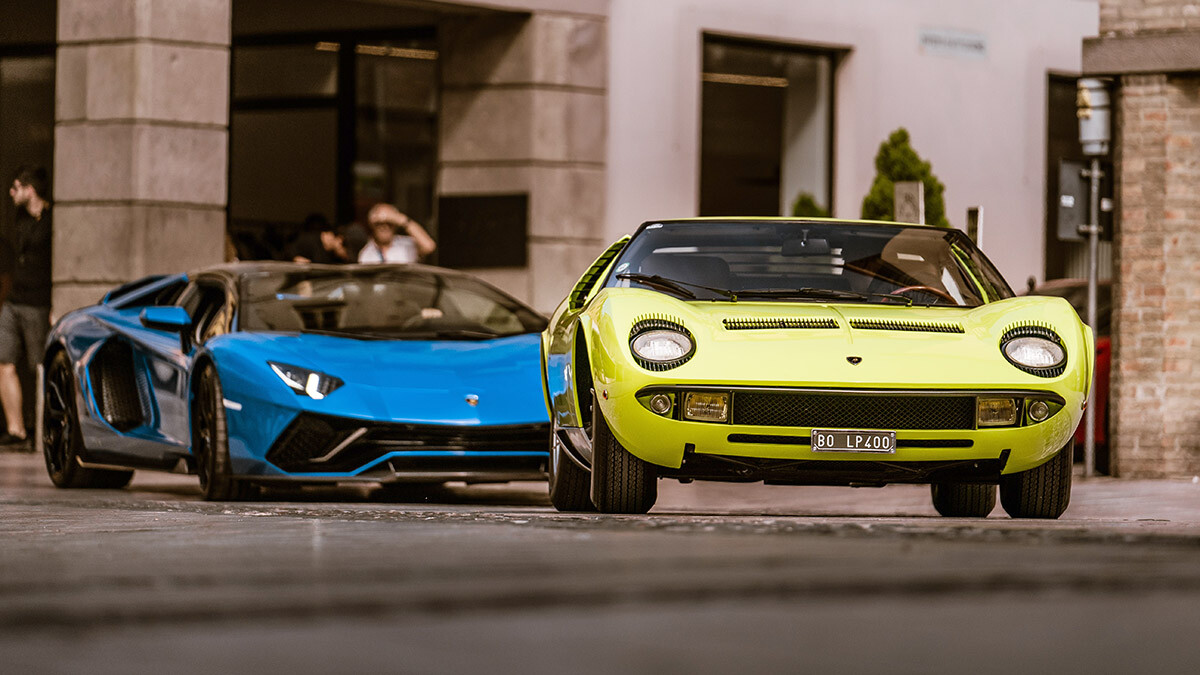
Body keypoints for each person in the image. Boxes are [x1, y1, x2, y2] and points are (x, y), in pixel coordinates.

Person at [0, 166, 53, 446]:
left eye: (16, 187)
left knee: (38, 368)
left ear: (29, 189)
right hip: (14, 301)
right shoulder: (19, 218)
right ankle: (16, 429)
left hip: (37, 302)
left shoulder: (52, 221)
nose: (11, 192)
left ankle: (41, 429)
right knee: (3, 361)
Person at [358, 203, 436, 264]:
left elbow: (429, 246)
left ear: (396, 225)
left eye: (390, 223)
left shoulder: (406, 244)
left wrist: (399, 219)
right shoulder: (366, 253)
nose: (385, 227)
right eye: (379, 224)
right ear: (372, 226)